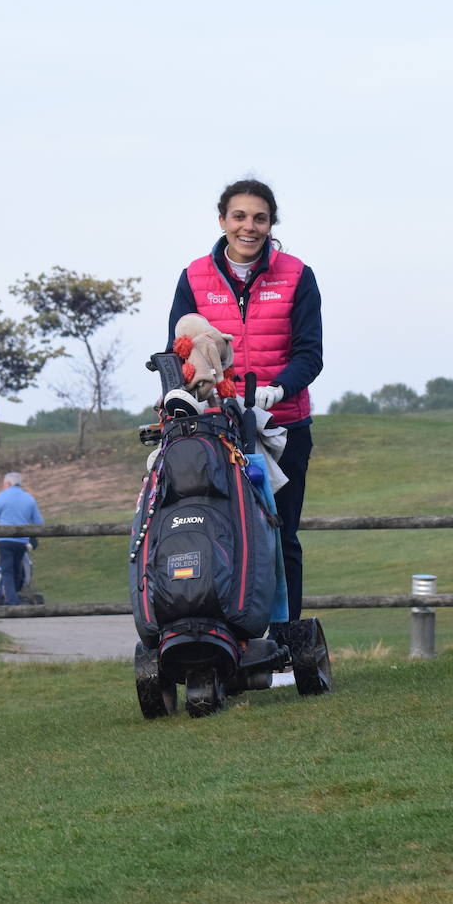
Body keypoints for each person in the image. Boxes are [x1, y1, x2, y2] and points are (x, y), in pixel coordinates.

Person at [167, 178, 323, 624]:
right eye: (239, 217)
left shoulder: (297, 275)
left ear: (271, 223)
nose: (248, 227)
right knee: (220, 530)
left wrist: (281, 389)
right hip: (217, 428)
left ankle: (285, 642)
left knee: (281, 536)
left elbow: (310, 354)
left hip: (285, 426)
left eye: (259, 218)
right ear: (222, 221)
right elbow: (176, 351)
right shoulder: (194, 277)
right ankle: (226, 636)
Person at [0, 471, 43, 605]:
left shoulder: (1, 497)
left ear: (7, 484)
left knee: (7, 571)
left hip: (5, 540)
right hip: (22, 541)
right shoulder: (29, 499)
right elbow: (39, 522)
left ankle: (11, 601)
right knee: (17, 569)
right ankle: (14, 596)